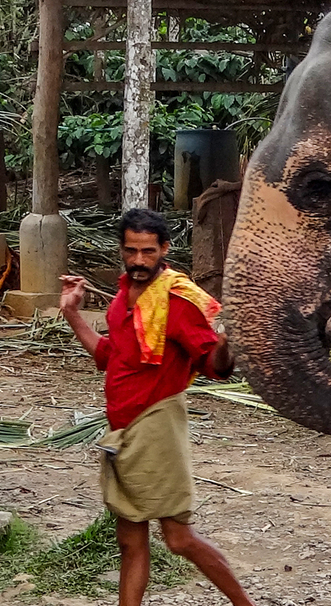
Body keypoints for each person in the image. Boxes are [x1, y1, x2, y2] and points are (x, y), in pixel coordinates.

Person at [59, 209, 256, 606]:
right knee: (130, 541)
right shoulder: (123, 296)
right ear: (121, 249)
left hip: (156, 425)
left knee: (178, 538)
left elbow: (214, 365)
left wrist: (227, 343)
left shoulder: (176, 301)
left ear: (164, 249)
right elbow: (108, 356)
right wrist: (72, 313)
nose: (138, 260)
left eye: (148, 251)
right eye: (131, 251)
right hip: (121, 431)